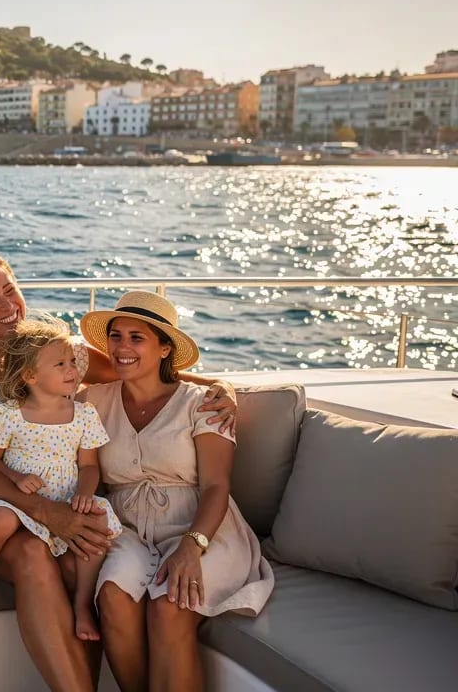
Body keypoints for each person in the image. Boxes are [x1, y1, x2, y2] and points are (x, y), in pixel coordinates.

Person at [0, 248, 237, 692]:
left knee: (82, 565)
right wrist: (48, 512)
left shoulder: (60, 352)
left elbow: (148, 373)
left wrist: (221, 388)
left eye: (10, 290)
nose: (8, 307)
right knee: (32, 555)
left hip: (44, 498)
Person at [78, 290, 274, 692]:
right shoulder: (93, 400)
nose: (122, 348)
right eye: (116, 337)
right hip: (127, 527)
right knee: (113, 598)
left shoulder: (203, 404)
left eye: (137, 338)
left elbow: (218, 485)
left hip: (202, 525)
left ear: (165, 348)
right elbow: (42, 359)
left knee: (170, 606)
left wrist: (192, 544)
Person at [0, 317, 123, 644]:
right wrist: (15, 478)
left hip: (66, 499)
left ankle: (83, 603)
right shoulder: (8, 414)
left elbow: (89, 467)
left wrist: (85, 494)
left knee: (98, 521)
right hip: (18, 501)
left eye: (72, 362)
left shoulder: (83, 414)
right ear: (30, 376)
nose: (72, 370)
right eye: (60, 364)